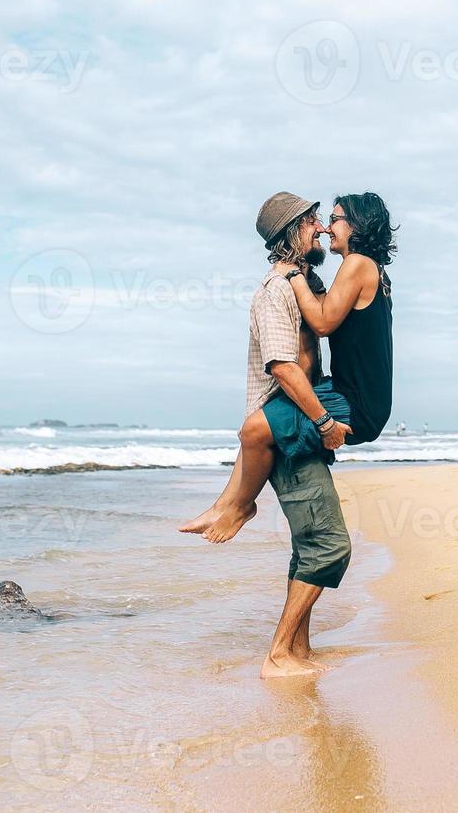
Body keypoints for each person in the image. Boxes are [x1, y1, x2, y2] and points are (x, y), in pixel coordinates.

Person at [178, 190, 396, 678]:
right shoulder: (311, 280)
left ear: (357, 227)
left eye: (333, 220)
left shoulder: (352, 266)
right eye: (318, 221)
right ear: (294, 231)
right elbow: (289, 358)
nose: (324, 227)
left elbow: (319, 322)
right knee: (255, 427)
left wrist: (294, 273)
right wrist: (321, 420)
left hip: (351, 400)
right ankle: (235, 506)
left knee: (257, 430)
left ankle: (235, 504)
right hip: (345, 398)